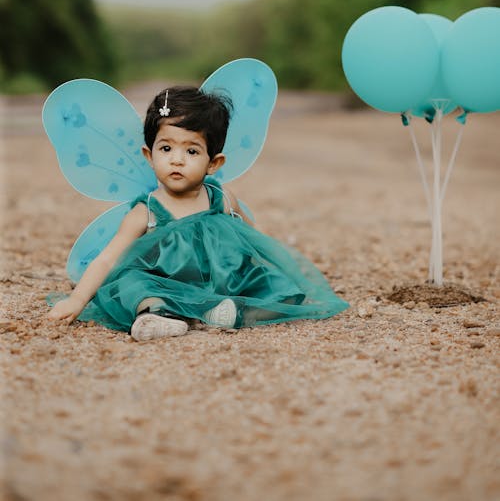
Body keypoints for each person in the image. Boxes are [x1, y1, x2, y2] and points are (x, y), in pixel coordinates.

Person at [48, 86, 348, 340]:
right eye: (166, 149)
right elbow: (108, 257)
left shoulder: (221, 198)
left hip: (222, 282)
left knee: (275, 286)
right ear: (149, 156)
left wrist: (283, 271)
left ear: (213, 163)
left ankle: (227, 311)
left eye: (191, 152)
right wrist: (76, 299)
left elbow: (254, 237)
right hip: (166, 285)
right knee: (132, 283)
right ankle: (156, 314)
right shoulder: (147, 211)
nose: (177, 160)